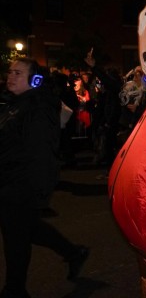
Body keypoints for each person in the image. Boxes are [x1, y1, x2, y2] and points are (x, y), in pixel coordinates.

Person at [0, 57, 89, 298]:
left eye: (18, 73)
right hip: (9, 180)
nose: (11, 76)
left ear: (35, 80)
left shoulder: (37, 108)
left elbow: (41, 153)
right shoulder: (14, 103)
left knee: (15, 238)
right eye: (10, 72)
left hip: (22, 184)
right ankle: (73, 253)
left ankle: (14, 290)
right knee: (28, 230)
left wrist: (39, 190)